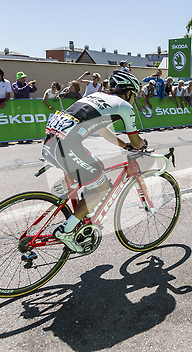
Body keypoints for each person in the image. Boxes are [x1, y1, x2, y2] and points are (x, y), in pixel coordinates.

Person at [43, 70, 146, 252]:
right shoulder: (124, 106)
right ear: (129, 92)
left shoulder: (98, 96)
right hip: (66, 147)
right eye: (134, 95)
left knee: (98, 167)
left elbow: (103, 131)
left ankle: (84, 211)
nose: (133, 99)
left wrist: (123, 145)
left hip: (51, 141)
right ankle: (66, 231)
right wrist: (140, 144)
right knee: (102, 188)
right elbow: (137, 142)